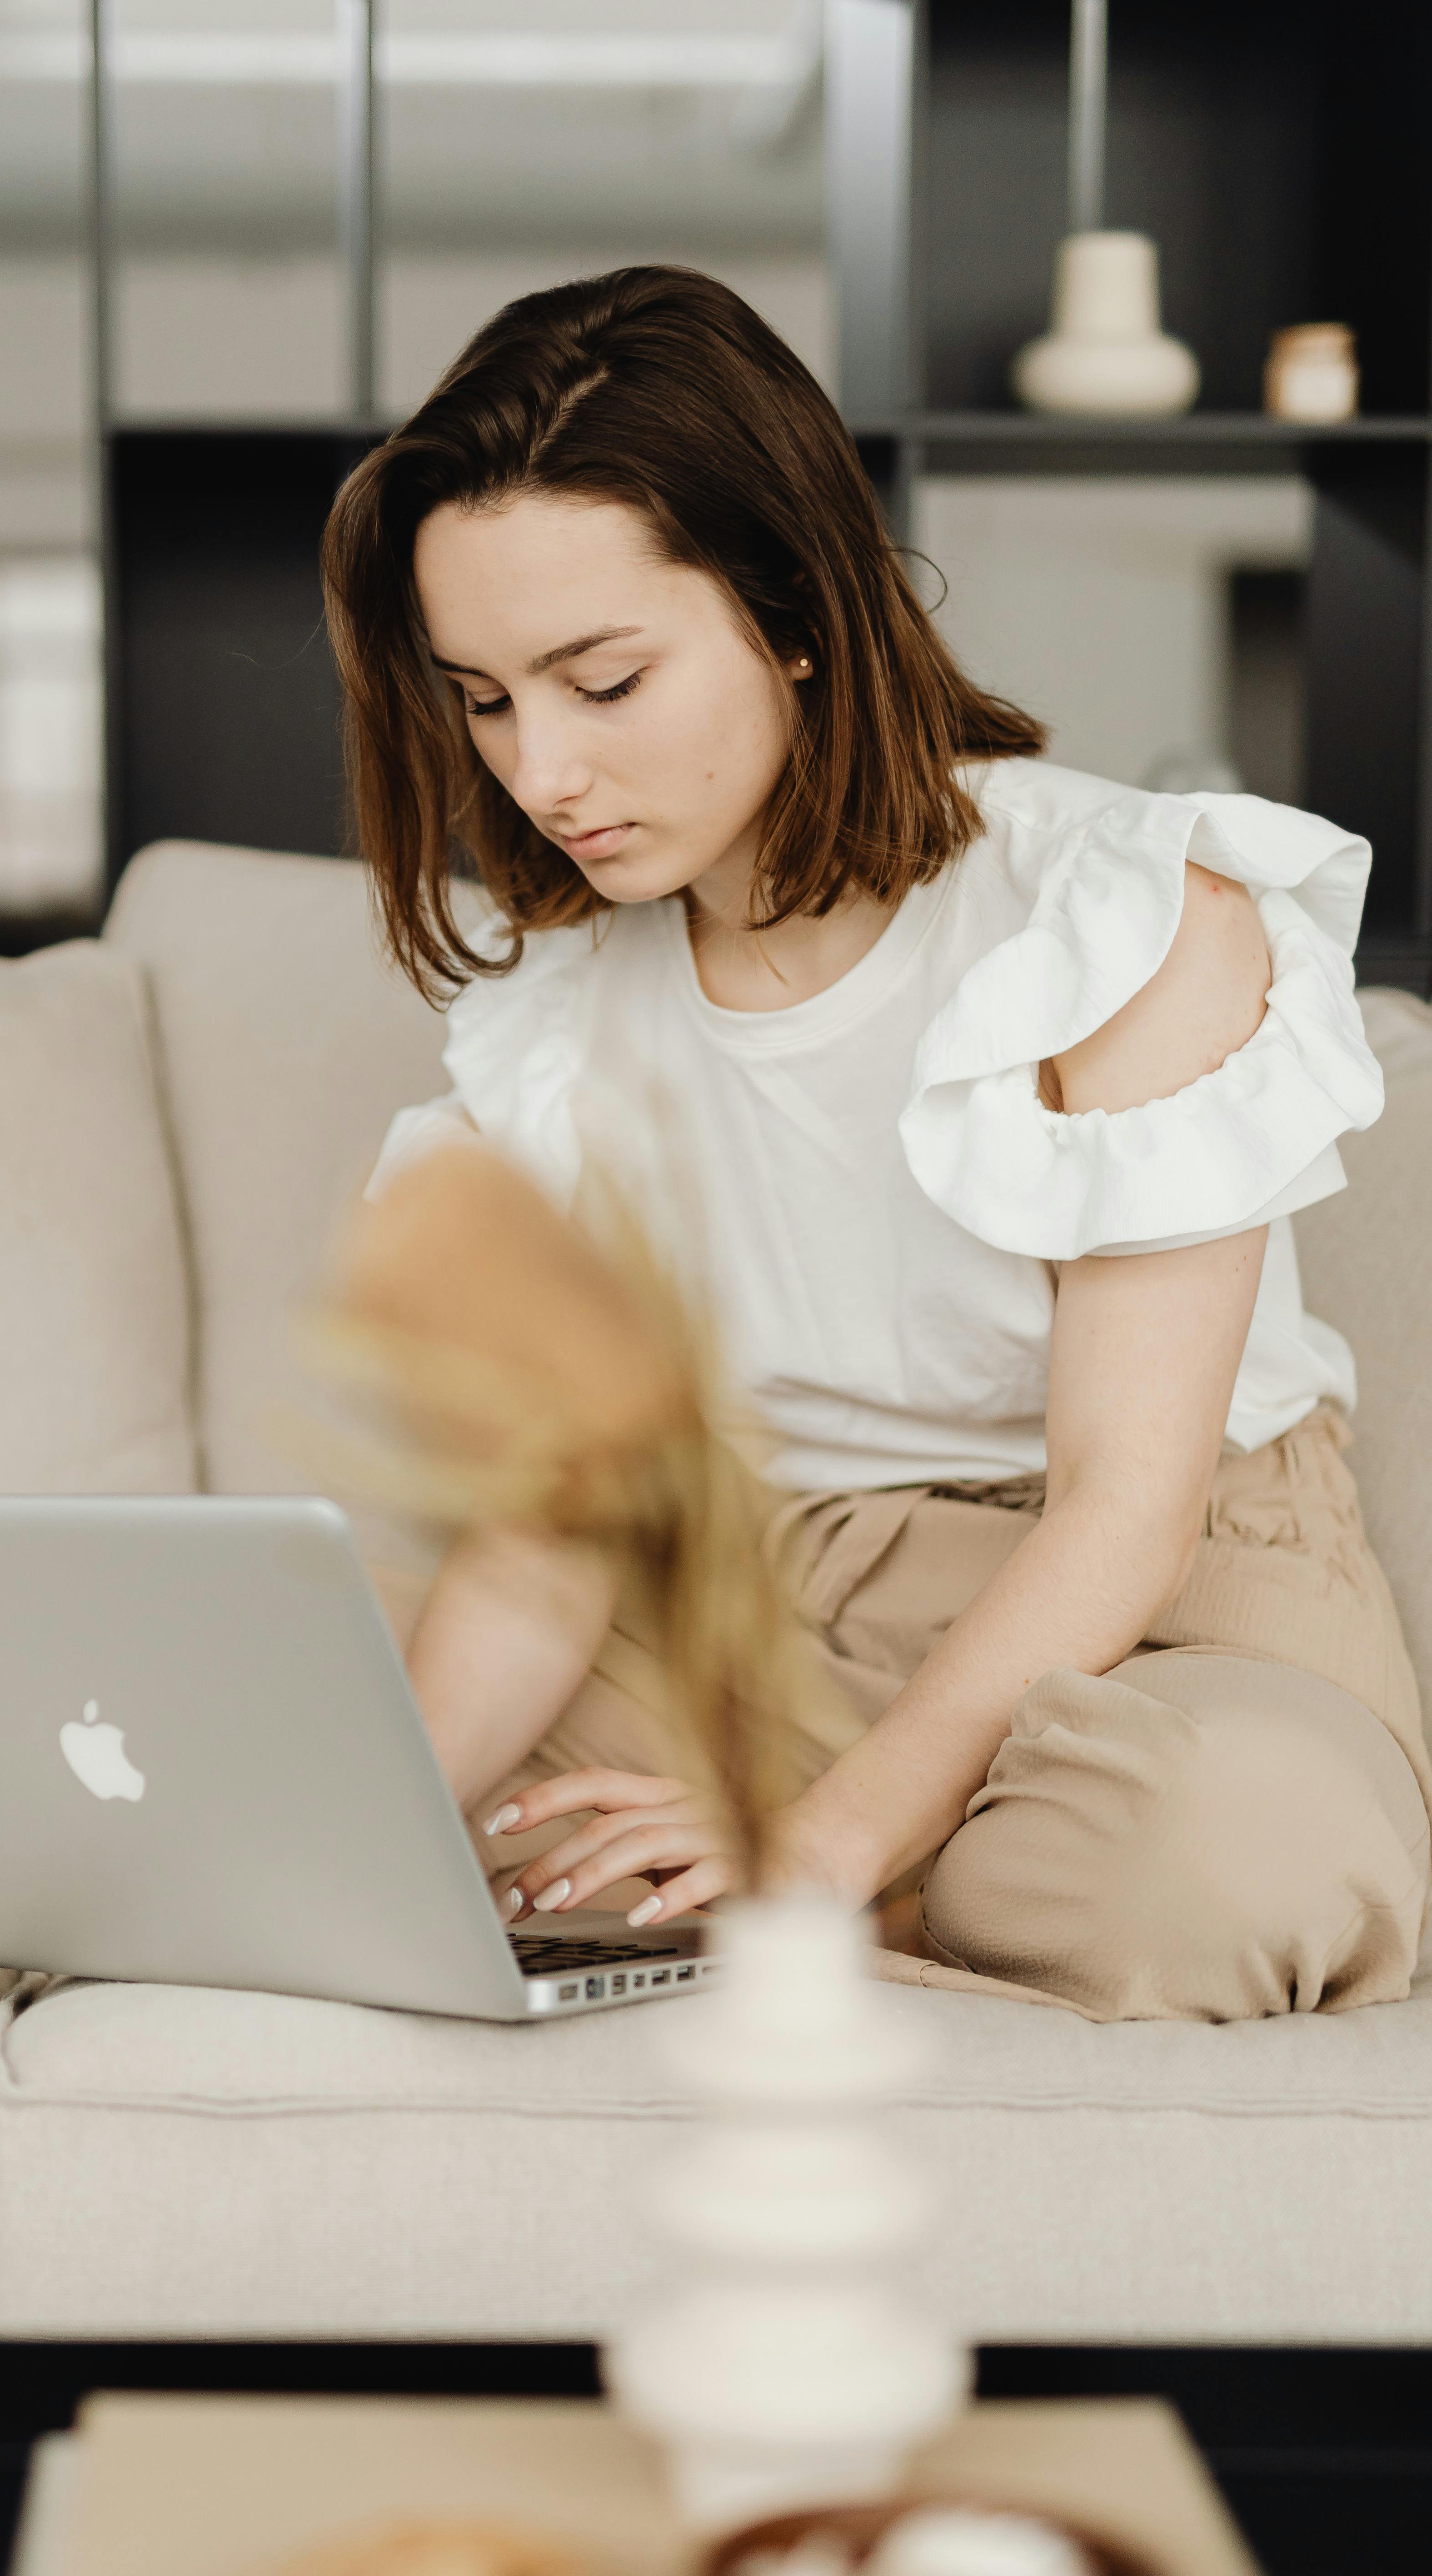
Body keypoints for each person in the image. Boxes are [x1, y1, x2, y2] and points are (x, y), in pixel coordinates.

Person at [320, 265, 1430, 2022]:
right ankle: (864, 1877)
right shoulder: (562, 1010)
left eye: (602, 681)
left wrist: (821, 1845)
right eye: (484, 699)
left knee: (1219, 1858)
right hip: (766, 1594)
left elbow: (1126, 1510)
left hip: (1156, 1602)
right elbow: (563, 1536)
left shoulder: (1121, 917)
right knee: (329, 1746)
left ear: (793, 611)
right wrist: (361, 1831)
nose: (539, 772)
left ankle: (869, 1884)